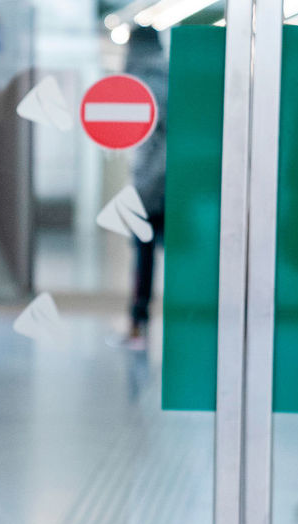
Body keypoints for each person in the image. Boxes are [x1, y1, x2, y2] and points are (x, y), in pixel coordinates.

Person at [117, 26, 168, 350]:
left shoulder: (143, 82)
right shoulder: (172, 76)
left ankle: (138, 326)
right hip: (175, 183)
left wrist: (145, 184)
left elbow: (151, 139)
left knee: (143, 259)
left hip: (151, 184)